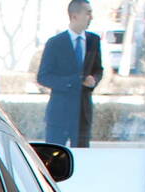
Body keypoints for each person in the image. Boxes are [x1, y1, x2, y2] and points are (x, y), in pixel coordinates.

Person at [37, 1, 104, 148]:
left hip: (83, 113)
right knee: (53, 158)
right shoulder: (55, 43)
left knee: (82, 159)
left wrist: (95, 79)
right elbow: (43, 76)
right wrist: (74, 81)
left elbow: (98, 69)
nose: (91, 17)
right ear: (74, 16)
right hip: (59, 113)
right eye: (88, 13)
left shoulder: (94, 41)